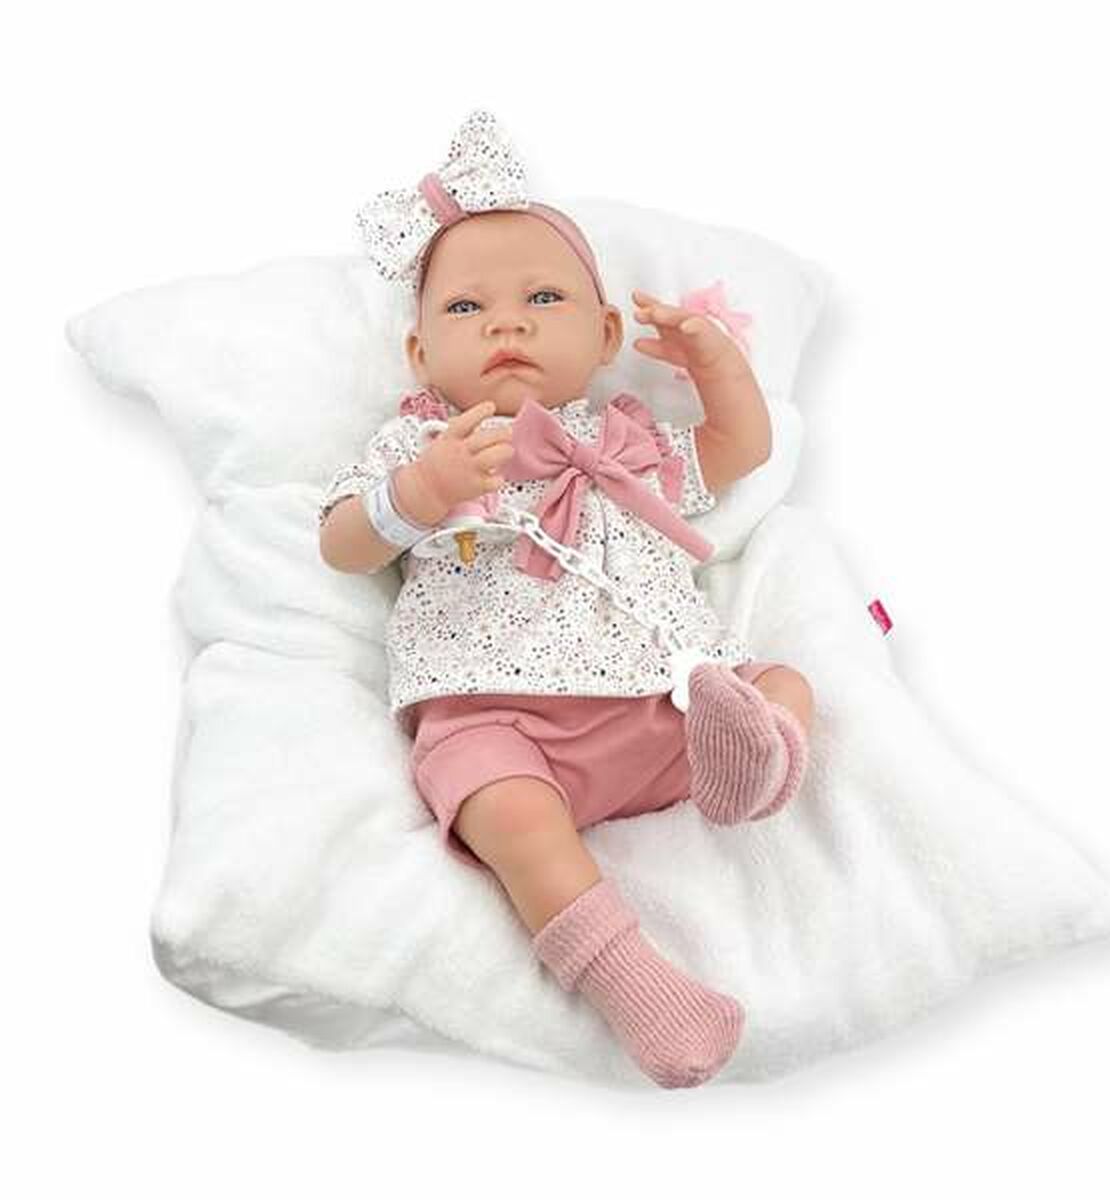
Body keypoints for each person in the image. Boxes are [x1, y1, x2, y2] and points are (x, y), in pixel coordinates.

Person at [317, 109, 815, 1088]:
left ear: (605, 335)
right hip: (502, 724)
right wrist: (417, 495)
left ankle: (759, 763)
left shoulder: (622, 440)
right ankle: (638, 987)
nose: (505, 323)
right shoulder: (421, 443)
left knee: (783, 681)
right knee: (505, 813)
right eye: (466, 307)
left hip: (668, 702)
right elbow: (341, 543)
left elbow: (737, 451)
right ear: (419, 356)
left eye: (543, 297)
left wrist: (716, 364)